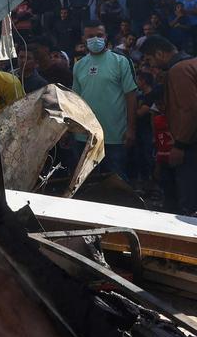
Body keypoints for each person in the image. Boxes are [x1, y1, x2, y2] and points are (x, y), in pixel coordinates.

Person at [72, 23, 138, 182]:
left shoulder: (121, 61)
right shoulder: (79, 65)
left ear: (106, 36)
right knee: (86, 184)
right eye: (90, 36)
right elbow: (75, 99)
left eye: (99, 35)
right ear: (83, 39)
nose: (95, 39)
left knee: (117, 183)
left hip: (115, 135)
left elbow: (131, 96)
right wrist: (70, 129)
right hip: (85, 135)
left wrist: (131, 128)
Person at [140, 35, 196, 211]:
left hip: (191, 146)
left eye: (150, 60)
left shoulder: (179, 70)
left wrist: (179, 145)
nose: (152, 66)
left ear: (159, 53)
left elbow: (190, 110)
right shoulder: (192, 64)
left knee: (188, 206)